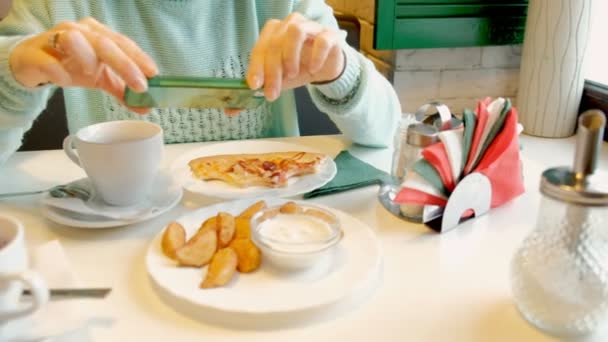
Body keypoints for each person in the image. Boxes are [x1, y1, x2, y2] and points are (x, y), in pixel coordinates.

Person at [0, 0, 400, 164]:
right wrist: (14, 71)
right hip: (112, 241)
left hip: (265, 229)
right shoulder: (53, 8)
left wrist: (338, 69)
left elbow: (386, 133)